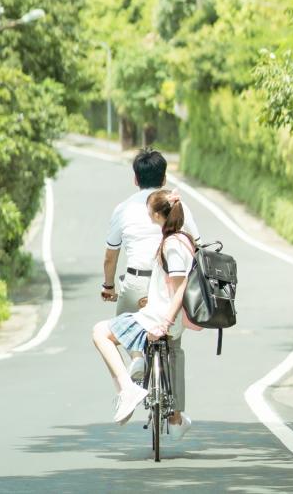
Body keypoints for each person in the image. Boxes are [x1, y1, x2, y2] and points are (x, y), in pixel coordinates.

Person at [93, 189, 195, 437]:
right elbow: (169, 286)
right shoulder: (183, 240)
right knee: (172, 354)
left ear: (158, 214)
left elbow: (180, 288)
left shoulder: (171, 245)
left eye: (149, 210)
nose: (147, 214)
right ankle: (176, 417)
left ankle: (127, 389)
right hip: (158, 314)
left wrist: (165, 321)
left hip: (158, 320)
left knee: (100, 332)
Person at [101, 149, 200, 381]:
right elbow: (198, 245)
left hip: (136, 282)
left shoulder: (123, 209)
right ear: (164, 178)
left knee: (122, 328)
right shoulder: (179, 207)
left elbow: (110, 256)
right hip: (171, 286)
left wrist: (108, 286)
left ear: (136, 179)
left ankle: (137, 357)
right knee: (174, 346)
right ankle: (175, 414)